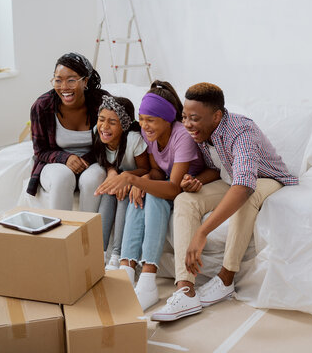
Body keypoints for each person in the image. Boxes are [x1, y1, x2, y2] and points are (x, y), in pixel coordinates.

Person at [150, 82, 299, 322]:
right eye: (185, 117)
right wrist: (195, 182)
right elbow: (217, 168)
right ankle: (185, 290)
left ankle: (226, 279)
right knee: (186, 200)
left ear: (216, 115)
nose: (187, 124)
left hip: (269, 178)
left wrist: (202, 232)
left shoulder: (242, 132)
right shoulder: (202, 132)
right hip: (230, 177)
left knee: (245, 198)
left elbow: (243, 186)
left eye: (194, 118)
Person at [95, 80, 204, 311]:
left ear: (167, 119)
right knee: (142, 194)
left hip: (187, 187)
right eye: (142, 119)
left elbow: (173, 187)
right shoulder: (148, 135)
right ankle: (125, 270)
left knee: (152, 195)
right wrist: (142, 180)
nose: (144, 125)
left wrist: (135, 180)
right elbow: (155, 171)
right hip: (166, 184)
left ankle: (147, 281)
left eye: (151, 120)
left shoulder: (181, 136)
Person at [27, 52, 109, 212]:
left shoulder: (102, 102)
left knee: (93, 179)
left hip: (94, 160)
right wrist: (66, 158)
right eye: (58, 80)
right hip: (53, 163)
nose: (64, 87)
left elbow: (114, 142)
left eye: (71, 80)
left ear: (85, 81)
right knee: (62, 178)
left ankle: (87, 233)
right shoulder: (42, 106)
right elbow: (40, 150)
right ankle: (60, 233)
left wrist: (85, 159)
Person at [93, 95, 150, 269]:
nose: (104, 126)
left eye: (112, 122)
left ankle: (117, 254)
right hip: (119, 178)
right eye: (101, 119)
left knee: (122, 195)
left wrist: (125, 177)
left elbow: (146, 169)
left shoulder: (133, 140)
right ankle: (99, 253)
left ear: (124, 125)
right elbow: (103, 160)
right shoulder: (98, 133)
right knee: (108, 193)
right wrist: (112, 172)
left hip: (135, 179)